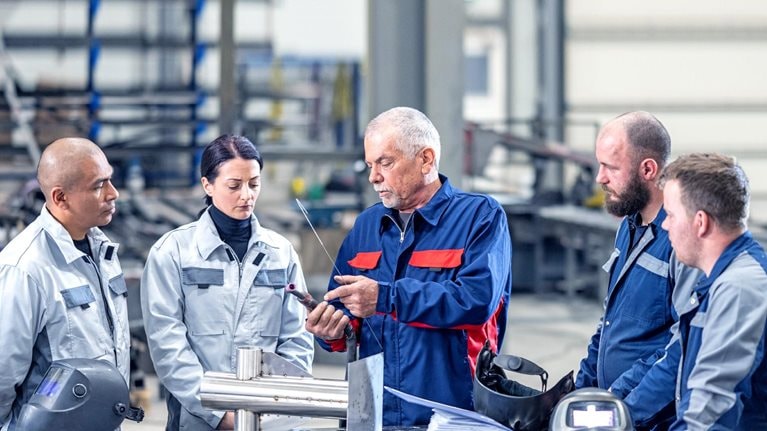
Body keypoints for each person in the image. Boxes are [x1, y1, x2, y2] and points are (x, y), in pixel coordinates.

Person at [305, 106, 512, 426]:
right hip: (374, 414)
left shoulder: (479, 216)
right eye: (370, 164)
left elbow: (475, 300)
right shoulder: (367, 226)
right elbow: (345, 310)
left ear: (426, 159)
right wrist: (330, 331)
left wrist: (386, 298)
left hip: (451, 415)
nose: (374, 176)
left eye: (385, 162)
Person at [141, 135, 314, 431]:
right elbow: (167, 345)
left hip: (269, 421)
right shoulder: (173, 252)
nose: (246, 195)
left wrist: (276, 407)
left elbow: (296, 339)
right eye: (234, 186)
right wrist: (218, 415)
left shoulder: (280, 253)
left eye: (254, 184)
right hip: (198, 420)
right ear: (208, 185)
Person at [575, 112, 700, 425]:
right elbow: (609, 323)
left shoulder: (680, 242)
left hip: (650, 418)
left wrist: (623, 409)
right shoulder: (628, 227)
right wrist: (580, 393)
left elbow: (681, 349)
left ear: (648, 169)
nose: (599, 178)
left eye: (611, 167)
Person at [0, 138, 128, 430]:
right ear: (60, 197)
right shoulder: (25, 267)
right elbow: (2, 373)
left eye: (110, 180)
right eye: (99, 186)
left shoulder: (103, 252)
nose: (113, 193)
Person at [655, 153, 767, 429]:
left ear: (700, 222)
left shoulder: (740, 288)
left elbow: (707, 415)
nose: (665, 225)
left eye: (670, 215)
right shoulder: (717, 280)